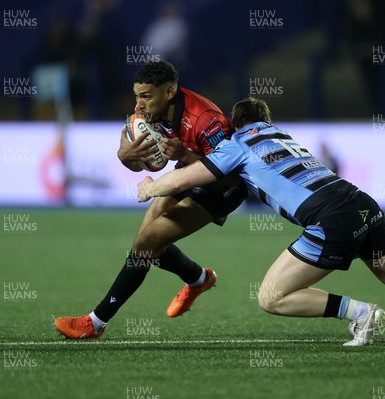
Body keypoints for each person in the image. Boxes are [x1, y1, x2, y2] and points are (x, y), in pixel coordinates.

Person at [137, 97, 385, 346]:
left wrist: (152, 187)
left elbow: (189, 177)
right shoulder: (284, 137)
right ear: (267, 121)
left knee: (270, 297)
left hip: (329, 220)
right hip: (364, 206)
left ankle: (360, 312)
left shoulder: (236, 144)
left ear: (236, 125)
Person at [54, 61, 247, 339]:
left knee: (146, 244)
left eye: (145, 96)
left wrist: (185, 156)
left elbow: (231, 176)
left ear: (169, 92)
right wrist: (125, 157)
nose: (139, 104)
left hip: (222, 189)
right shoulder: (145, 113)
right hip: (188, 172)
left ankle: (95, 322)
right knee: (145, 244)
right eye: (136, 96)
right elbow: (145, 164)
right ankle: (199, 279)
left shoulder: (206, 120)